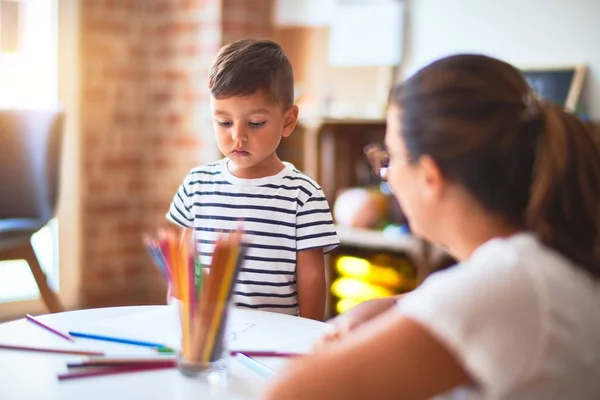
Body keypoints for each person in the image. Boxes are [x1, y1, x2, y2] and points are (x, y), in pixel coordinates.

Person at [264, 54, 600, 399]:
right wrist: (402, 307)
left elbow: (288, 393)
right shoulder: (540, 262)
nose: (388, 174)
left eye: (390, 157)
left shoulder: (508, 281)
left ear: (429, 176)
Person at [166, 39, 339, 321]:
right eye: (224, 122)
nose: (238, 136)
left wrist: (308, 337)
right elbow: (184, 261)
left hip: (274, 340)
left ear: (288, 121)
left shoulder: (303, 195)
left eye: (255, 123)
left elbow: (311, 278)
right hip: (209, 336)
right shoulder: (197, 184)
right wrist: (177, 317)